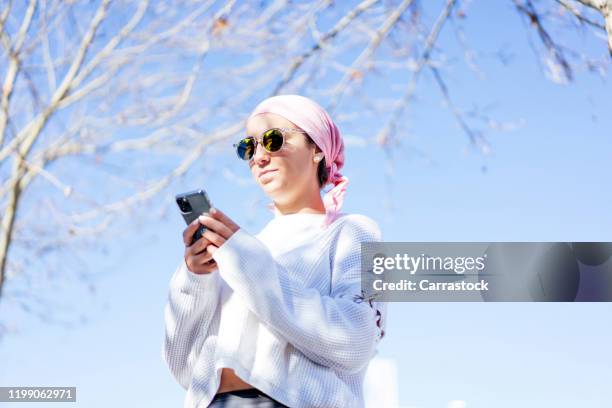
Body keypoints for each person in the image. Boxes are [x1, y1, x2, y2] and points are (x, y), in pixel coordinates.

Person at [162, 94, 387, 408]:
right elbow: (186, 367)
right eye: (248, 147)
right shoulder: (242, 250)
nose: (259, 157)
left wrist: (247, 262)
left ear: (317, 150)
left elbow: (355, 341)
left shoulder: (355, 231)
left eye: (273, 139)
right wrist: (194, 279)